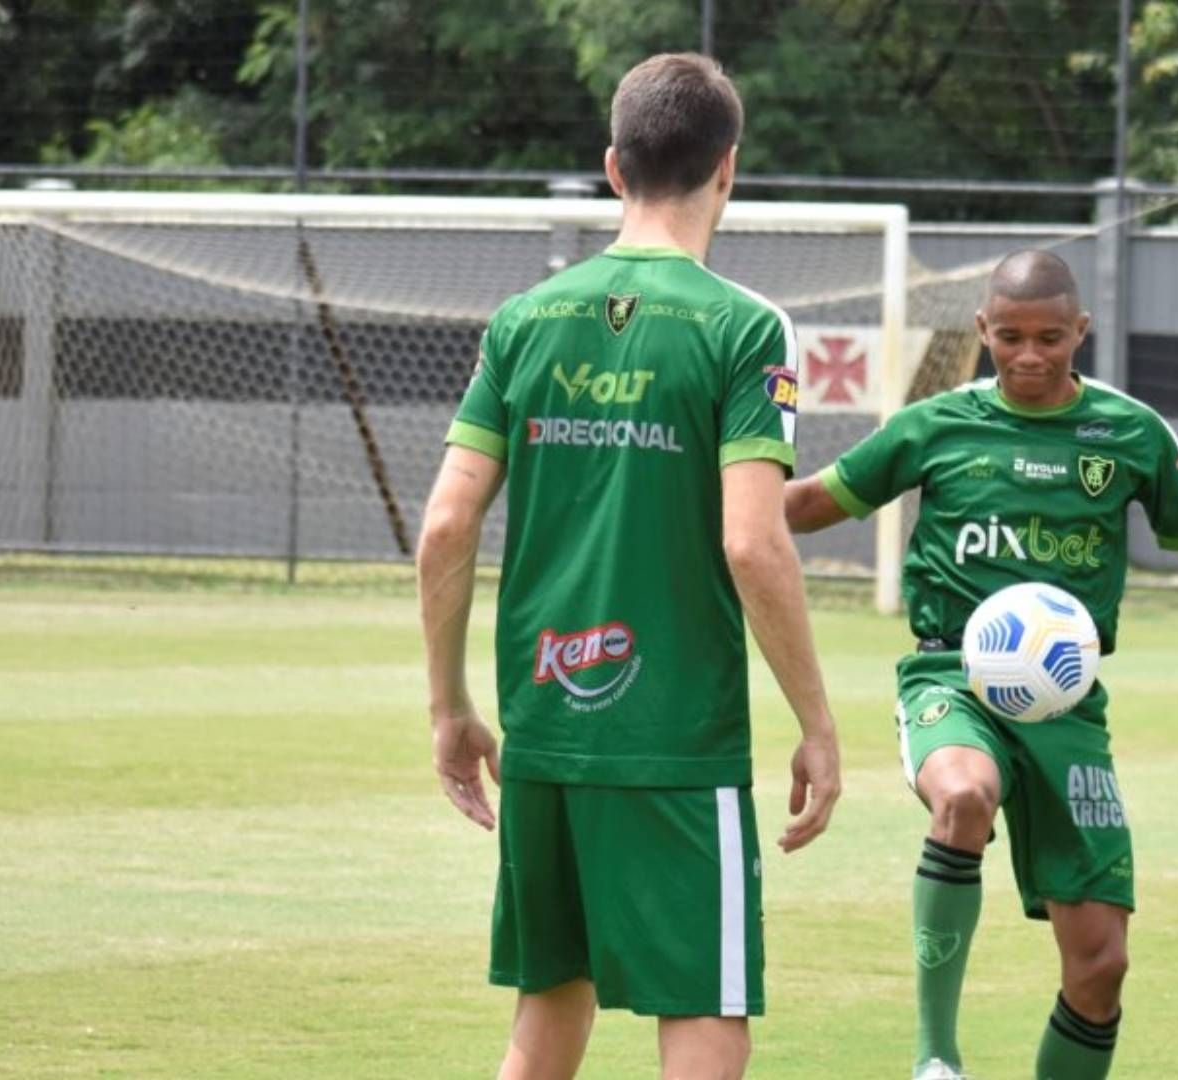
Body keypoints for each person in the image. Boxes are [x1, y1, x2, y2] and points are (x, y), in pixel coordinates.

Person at [417, 52, 841, 1080]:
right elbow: (753, 541)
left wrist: (451, 707)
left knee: (548, 1011)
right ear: (727, 168)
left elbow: (446, 527)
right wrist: (818, 723)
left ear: (614, 167)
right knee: (704, 1018)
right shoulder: (745, 327)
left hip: (544, 728)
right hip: (674, 741)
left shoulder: (523, 321)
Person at [785, 250, 1178, 1080]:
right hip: (951, 677)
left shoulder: (1131, 432)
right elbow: (808, 504)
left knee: (1101, 968)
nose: (1027, 355)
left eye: (1049, 338)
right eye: (1009, 337)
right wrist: (709, 495)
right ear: (982, 329)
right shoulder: (934, 425)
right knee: (963, 795)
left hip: (1067, 707)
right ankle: (936, 1057)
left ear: (1080, 331)